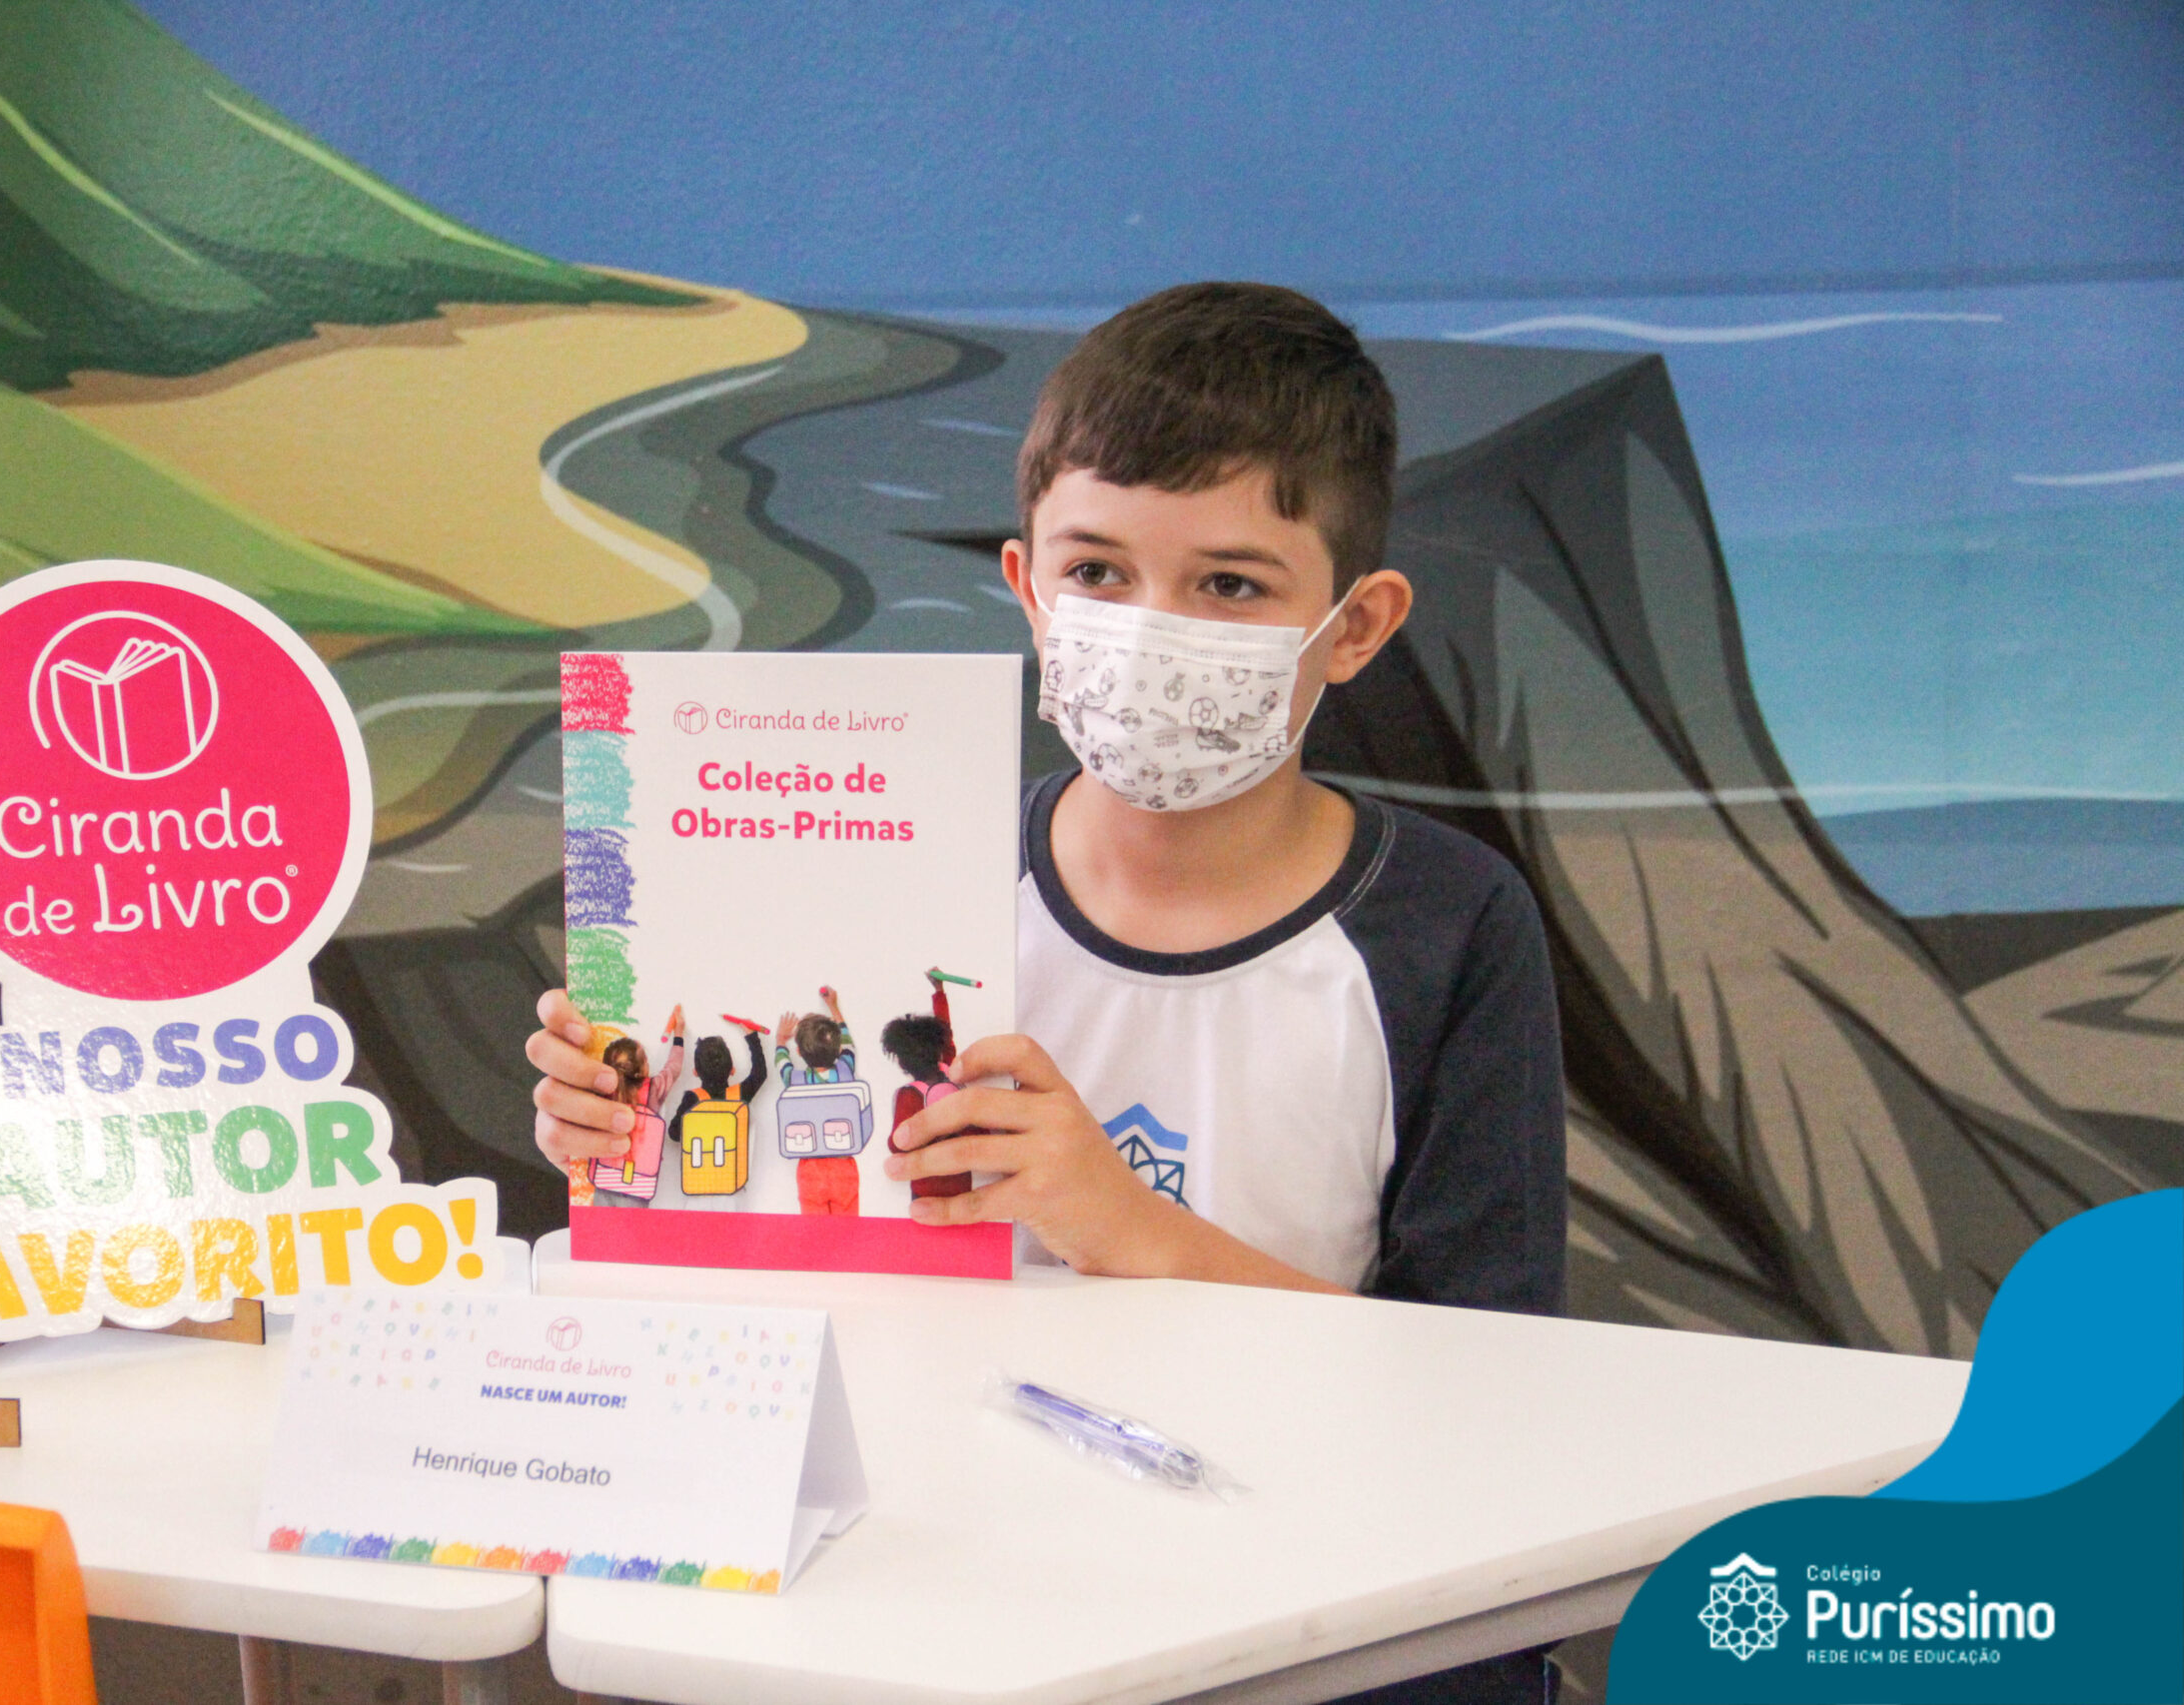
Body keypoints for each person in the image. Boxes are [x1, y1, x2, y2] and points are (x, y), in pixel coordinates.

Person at [530, 283, 1566, 1702]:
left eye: (1231, 585)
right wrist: (624, 1140)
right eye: (1098, 571)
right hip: (961, 1606)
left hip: (1320, 1625)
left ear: (1356, 623)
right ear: (1025, 586)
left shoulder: (1448, 928)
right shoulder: (890, 883)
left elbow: (1486, 1396)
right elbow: (762, 1290)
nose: (1149, 628)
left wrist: (1126, 1226)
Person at [881, 972, 968, 1201]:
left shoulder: (909, 1095)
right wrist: (939, 992)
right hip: (961, 1178)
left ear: (902, 1062)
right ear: (938, 1047)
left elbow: (897, 1144)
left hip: (927, 1186)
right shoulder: (952, 1073)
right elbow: (946, 1031)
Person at [776, 992, 865, 1215]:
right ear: (837, 1050)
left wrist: (780, 1040)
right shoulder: (845, 1069)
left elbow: (782, 1063)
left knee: (814, 1229)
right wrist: (834, 1007)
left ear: (799, 1051)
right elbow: (848, 1043)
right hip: (843, 1164)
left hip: (811, 1167)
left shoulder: (795, 1080)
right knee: (848, 1228)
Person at [586, 1005, 682, 1208]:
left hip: (604, 1178)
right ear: (640, 1071)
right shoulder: (654, 1088)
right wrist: (679, 1034)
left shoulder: (602, 1092)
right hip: (638, 1185)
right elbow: (674, 1067)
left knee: (602, 1227)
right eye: (645, 1059)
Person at [668, 1022, 767, 1197]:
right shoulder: (739, 1095)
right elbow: (760, 1073)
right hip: (733, 1184)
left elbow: (674, 1134)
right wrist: (752, 1036)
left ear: (695, 1072)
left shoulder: (693, 1099)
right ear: (732, 1070)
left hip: (698, 1183)